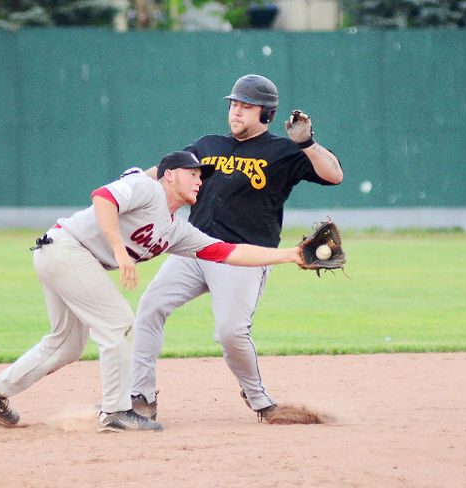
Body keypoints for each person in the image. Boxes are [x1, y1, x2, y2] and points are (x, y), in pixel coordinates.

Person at [0, 151, 306, 433]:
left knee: (67, 344)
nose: (201, 181)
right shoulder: (147, 188)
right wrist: (118, 248)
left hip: (64, 256)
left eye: (202, 176)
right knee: (118, 323)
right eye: (194, 174)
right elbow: (103, 197)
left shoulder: (176, 229)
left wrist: (291, 255)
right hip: (66, 248)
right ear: (170, 175)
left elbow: (229, 252)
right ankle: (115, 412)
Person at [131, 74, 343, 422]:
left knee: (230, 331)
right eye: (234, 105)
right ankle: (141, 396)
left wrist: (307, 143)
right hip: (194, 247)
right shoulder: (208, 144)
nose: (237, 112)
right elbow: (163, 173)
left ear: (267, 114)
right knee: (150, 307)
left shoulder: (284, 152)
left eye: (246, 107)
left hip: (243, 255)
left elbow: (334, 175)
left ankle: (260, 401)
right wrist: (123, 192)